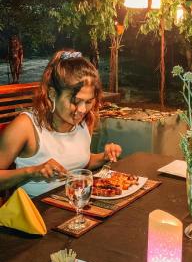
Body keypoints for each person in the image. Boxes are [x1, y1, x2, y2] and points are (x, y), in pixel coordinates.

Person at [0, 49, 122, 197]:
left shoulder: (85, 121)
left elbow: (80, 162)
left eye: (89, 101)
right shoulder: (25, 126)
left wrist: (104, 157)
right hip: (36, 213)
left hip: (73, 205)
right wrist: (32, 171)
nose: (83, 109)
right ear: (52, 94)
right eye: (75, 102)